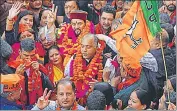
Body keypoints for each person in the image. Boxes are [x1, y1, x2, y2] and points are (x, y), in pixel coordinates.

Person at [7, 38, 53, 106]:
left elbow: (50, 87)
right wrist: (16, 76)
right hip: (17, 106)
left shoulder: (39, 63)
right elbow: (6, 94)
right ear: (20, 52)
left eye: (32, 55)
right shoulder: (11, 66)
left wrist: (40, 74)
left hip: (37, 104)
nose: (29, 59)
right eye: (26, 55)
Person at [64, 33, 107, 105]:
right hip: (76, 99)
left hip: (96, 101)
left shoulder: (105, 62)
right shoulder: (74, 58)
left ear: (96, 47)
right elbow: (67, 76)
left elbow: (111, 86)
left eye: (88, 47)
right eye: (82, 46)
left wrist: (100, 86)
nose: (84, 50)